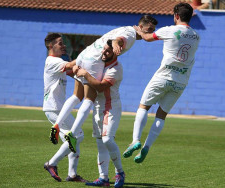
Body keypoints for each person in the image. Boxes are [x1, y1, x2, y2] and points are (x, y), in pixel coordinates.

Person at [50, 15, 158, 155]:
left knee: (77, 96)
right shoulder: (131, 35)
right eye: (149, 29)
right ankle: (72, 133)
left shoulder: (126, 29)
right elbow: (118, 40)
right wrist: (114, 44)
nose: (150, 33)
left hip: (85, 54)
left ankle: (57, 125)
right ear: (141, 27)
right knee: (89, 99)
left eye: (153, 30)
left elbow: (117, 38)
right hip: (95, 60)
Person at [123, 3, 200, 163]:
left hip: (164, 76)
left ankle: (135, 140)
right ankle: (146, 147)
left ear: (177, 16)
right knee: (161, 115)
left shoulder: (169, 30)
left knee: (144, 106)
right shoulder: (196, 36)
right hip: (181, 81)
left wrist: (138, 30)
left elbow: (147, 38)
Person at [74, 40, 125, 187]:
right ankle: (103, 178)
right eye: (103, 49)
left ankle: (120, 173)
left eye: (108, 51)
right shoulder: (99, 64)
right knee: (100, 143)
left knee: (107, 139)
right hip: (97, 107)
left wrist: (85, 74)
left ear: (115, 52)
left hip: (111, 107)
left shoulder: (116, 68)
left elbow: (101, 87)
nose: (103, 52)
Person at [42, 33, 87, 182]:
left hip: (55, 108)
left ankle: (72, 174)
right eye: (60, 43)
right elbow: (69, 66)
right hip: (55, 108)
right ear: (51, 46)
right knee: (77, 136)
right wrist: (86, 57)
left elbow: (70, 71)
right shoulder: (52, 61)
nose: (63, 46)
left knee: (73, 141)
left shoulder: (56, 62)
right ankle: (51, 163)